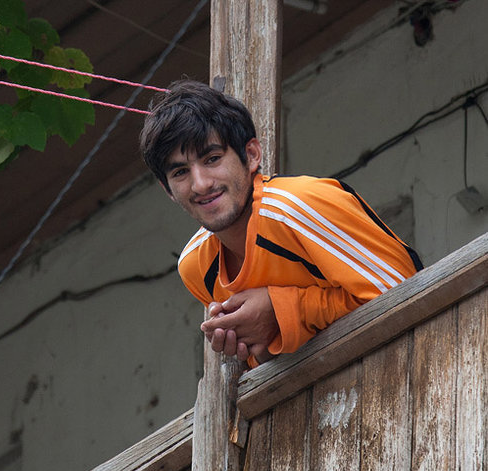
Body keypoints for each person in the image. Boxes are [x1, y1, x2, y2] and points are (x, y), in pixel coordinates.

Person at [139, 79, 422, 366]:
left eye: (212, 158)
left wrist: (282, 311)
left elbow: (406, 292)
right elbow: (270, 365)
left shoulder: (298, 206)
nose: (200, 184)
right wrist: (255, 345)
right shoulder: (196, 266)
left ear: (251, 156)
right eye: (180, 173)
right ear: (168, 190)